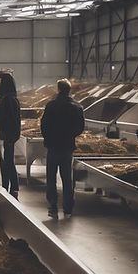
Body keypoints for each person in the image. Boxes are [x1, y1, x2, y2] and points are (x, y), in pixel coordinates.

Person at [40, 78, 85, 219]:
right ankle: (67, 208)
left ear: (58, 89)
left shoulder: (51, 105)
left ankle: (53, 207)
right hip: (67, 147)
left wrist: (48, 138)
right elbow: (80, 128)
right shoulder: (77, 107)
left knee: (51, 177)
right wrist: (70, 135)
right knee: (67, 179)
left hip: (53, 146)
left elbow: (44, 125)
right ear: (69, 90)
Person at [0, 68, 21, 200]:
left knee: (7, 162)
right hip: (12, 134)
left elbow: (0, 119)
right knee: (8, 161)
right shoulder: (14, 99)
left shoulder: (6, 100)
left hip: (6, 135)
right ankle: (10, 187)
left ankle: (12, 187)